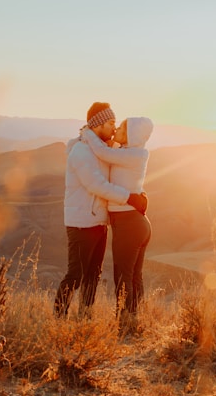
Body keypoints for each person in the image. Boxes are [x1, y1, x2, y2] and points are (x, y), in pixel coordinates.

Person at [53, 103, 148, 317]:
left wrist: (140, 192)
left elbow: (126, 169)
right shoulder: (81, 151)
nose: (115, 128)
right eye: (111, 123)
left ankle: (85, 316)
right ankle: (58, 317)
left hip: (98, 222)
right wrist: (130, 198)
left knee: (93, 275)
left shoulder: (104, 148)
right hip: (81, 224)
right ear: (97, 125)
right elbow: (97, 186)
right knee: (76, 274)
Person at [80, 116, 153, 329]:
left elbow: (103, 152)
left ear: (132, 134)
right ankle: (133, 320)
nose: (118, 129)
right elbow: (110, 149)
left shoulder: (134, 154)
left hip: (129, 223)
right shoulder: (129, 152)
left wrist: (88, 133)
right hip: (135, 222)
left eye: (122, 127)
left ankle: (124, 324)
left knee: (123, 276)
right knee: (133, 276)